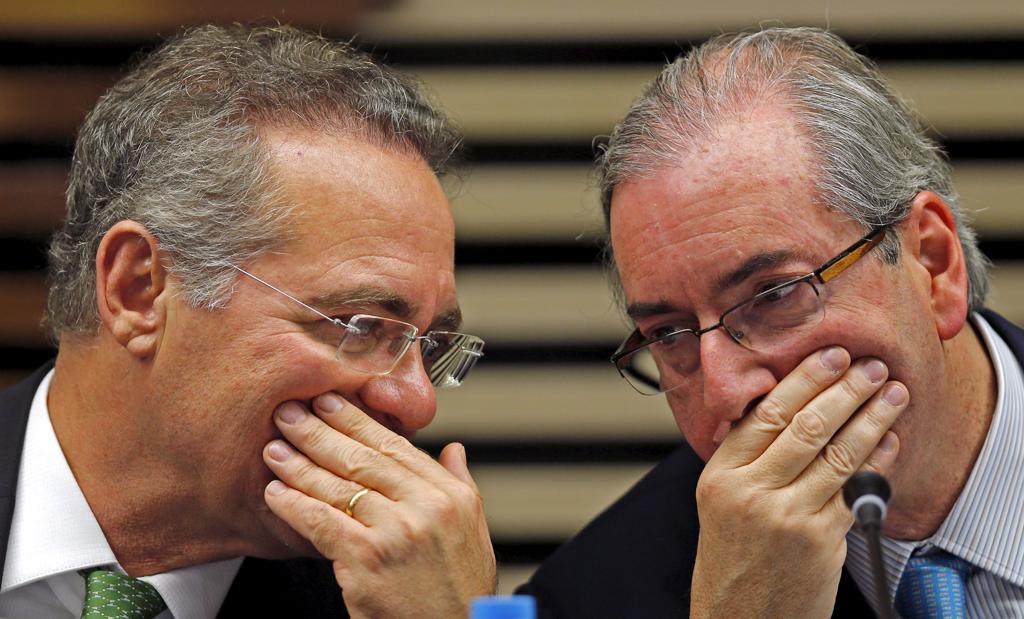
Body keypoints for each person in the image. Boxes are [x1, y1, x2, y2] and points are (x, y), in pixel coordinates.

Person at [521, 27, 1023, 618]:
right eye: (670, 335)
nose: (725, 391)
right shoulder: (585, 601)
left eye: (776, 294)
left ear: (932, 264)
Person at [0, 24, 496, 618]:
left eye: (432, 344)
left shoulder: (401, 597)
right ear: (138, 291)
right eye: (360, 326)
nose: (418, 403)